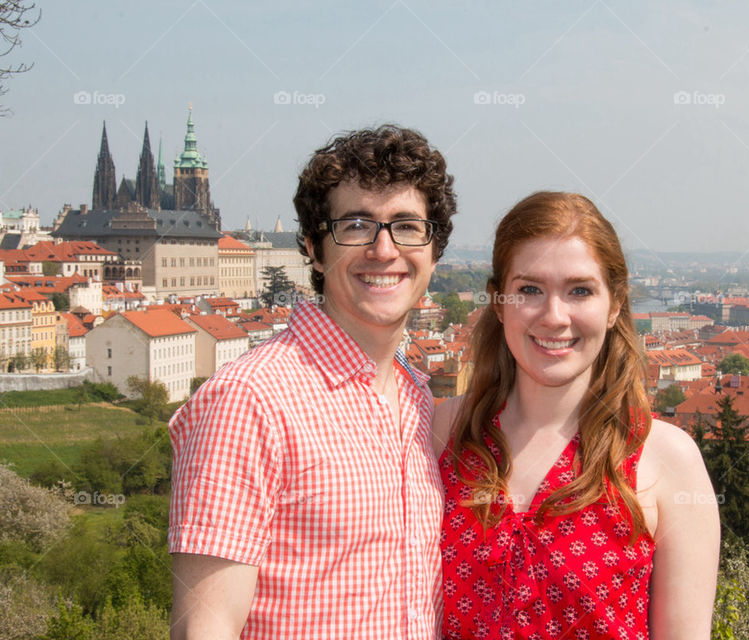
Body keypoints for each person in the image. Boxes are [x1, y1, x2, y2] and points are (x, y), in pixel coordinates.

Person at [169, 125, 457, 639]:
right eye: (355, 225)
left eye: (407, 227)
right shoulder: (249, 400)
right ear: (314, 249)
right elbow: (204, 627)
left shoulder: (417, 399)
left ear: (434, 251)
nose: (384, 249)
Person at [433, 192, 720, 639]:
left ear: (616, 304)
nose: (554, 317)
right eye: (529, 290)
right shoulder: (441, 432)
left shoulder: (665, 459)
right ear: (498, 301)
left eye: (580, 291)